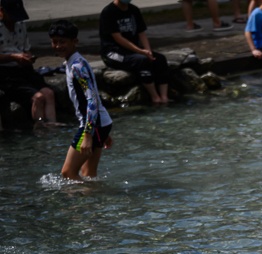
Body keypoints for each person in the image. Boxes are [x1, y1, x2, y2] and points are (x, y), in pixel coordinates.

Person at [49, 20, 113, 180]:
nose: (58, 46)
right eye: (54, 42)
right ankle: (94, 202)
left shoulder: (77, 66)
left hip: (92, 125)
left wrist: (89, 134)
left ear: (74, 42)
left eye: (62, 42)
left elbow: (92, 100)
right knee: (88, 174)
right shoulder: (73, 63)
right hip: (100, 124)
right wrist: (102, 130)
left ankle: (81, 204)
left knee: (68, 173)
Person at [99, 0, 172, 105]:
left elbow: (141, 32)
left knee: (159, 59)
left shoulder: (134, 10)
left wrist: (148, 51)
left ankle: (164, 97)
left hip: (132, 50)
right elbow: (118, 38)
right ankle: (155, 97)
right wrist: (141, 51)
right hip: (112, 52)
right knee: (142, 60)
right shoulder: (108, 12)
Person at [0, 0, 57, 125]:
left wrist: (28, 57)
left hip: (24, 69)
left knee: (48, 93)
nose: (15, 20)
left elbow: (26, 48)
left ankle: (52, 126)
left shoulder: (20, 24)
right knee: (38, 97)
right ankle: (40, 126)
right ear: (2, 11)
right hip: (6, 74)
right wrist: (13, 57)